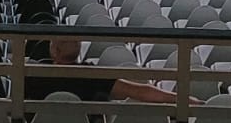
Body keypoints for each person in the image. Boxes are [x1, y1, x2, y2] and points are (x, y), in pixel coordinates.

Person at [27, 36, 195, 107]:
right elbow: (139, 91)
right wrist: (187, 100)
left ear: (54, 51)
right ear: (78, 51)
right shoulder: (92, 75)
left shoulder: (33, 72)